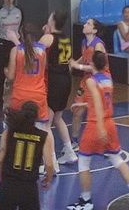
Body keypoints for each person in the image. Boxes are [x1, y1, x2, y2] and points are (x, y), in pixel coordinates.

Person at [67, 51, 129, 210]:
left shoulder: (91, 81)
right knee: (117, 160)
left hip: (96, 124)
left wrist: (100, 127)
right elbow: (102, 101)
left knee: (83, 162)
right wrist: (84, 105)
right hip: (110, 123)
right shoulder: (108, 78)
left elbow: (97, 101)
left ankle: (86, 201)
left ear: (92, 63)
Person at [5, 23, 59, 173]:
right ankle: (52, 163)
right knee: (44, 129)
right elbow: (43, 69)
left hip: (20, 95)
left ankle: (14, 161)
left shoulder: (16, 50)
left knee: (14, 129)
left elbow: (11, 76)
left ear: (21, 35)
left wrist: (5, 71)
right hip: (38, 94)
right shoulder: (42, 51)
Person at [0, 101, 55, 210]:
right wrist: (48, 179)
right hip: (29, 187)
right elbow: (49, 164)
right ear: (36, 117)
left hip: (8, 184)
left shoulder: (8, 132)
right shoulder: (43, 136)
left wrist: (0, 177)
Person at [65, 18, 107, 158]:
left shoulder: (98, 46)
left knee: (96, 112)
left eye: (88, 24)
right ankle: (75, 141)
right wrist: (73, 63)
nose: (84, 25)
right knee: (77, 110)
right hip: (86, 80)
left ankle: (104, 141)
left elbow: (99, 68)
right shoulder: (84, 42)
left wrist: (78, 66)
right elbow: (84, 58)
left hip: (99, 80)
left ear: (94, 30)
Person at [43, 11, 78, 165]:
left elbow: (35, 53)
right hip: (66, 79)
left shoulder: (48, 38)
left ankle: (51, 162)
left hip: (54, 81)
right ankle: (69, 151)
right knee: (58, 118)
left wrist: (45, 34)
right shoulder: (65, 37)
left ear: (52, 21)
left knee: (46, 124)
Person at [0, 0, 24, 119]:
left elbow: (21, 30)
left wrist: (24, 47)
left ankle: (17, 104)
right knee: (0, 77)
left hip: (15, 44)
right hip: (2, 44)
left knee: (17, 74)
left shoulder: (19, 11)